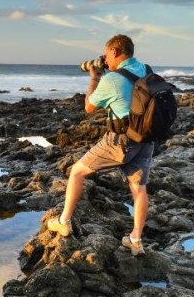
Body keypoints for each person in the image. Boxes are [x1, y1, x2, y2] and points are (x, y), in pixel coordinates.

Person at [47, 34, 153, 256]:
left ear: (114, 51)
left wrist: (94, 78)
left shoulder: (112, 79)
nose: (105, 59)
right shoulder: (147, 70)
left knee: (76, 172)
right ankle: (135, 240)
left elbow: (89, 107)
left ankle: (64, 222)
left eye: (106, 55)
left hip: (120, 140)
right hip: (145, 138)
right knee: (139, 189)